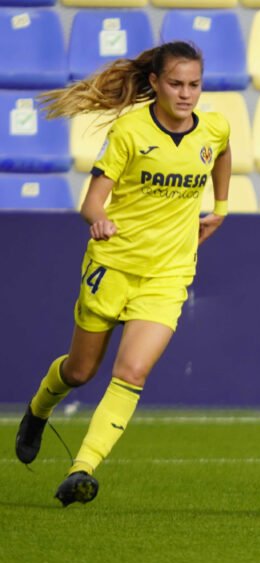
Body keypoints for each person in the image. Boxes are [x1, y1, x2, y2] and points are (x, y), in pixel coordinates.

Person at [14, 42, 232, 505]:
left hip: (168, 275)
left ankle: (82, 468)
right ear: (154, 83)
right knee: (79, 371)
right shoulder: (131, 131)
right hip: (113, 265)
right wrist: (98, 218)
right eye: (176, 83)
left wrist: (222, 207)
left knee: (132, 371)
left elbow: (223, 151)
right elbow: (93, 199)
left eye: (194, 84)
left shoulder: (213, 127)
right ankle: (38, 409)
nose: (187, 94)